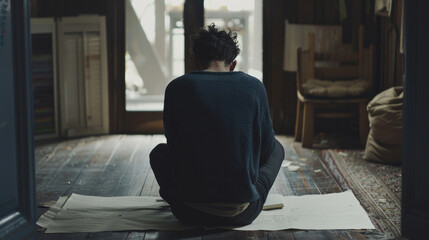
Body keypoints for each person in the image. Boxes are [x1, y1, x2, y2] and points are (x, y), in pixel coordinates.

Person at [149, 23, 284, 227]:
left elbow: (174, 145)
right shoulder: (254, 87)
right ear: (233, 64)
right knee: (278, 149)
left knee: (158, 152)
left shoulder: (177, 88)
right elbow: (267, 148)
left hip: (186, 211)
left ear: (197, 62)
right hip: (241, 214)